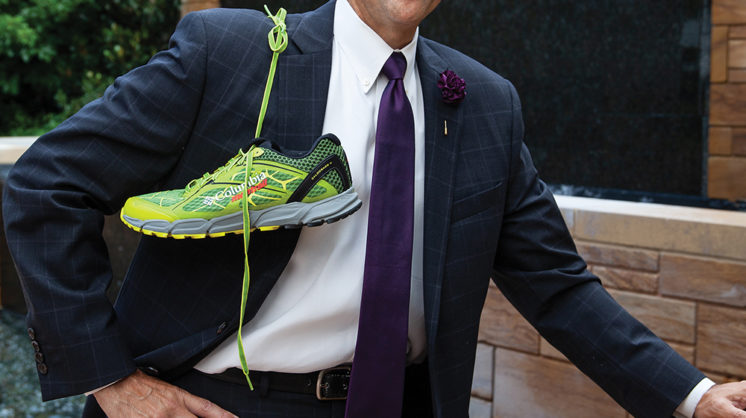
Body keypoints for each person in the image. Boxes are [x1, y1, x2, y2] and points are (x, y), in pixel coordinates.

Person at [3, 0, 746, 417]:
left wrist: (695, 397)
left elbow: (558, 288)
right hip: (219, 401)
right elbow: (45, 184)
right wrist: (114, 382)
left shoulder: (485, 103)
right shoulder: (230, 52)